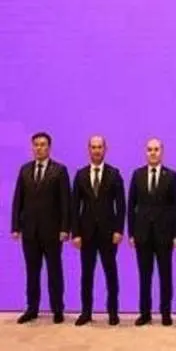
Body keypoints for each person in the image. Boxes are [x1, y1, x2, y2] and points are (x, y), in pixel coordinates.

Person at [11, 132, 70, 324]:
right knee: (32, 272)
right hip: (30, 231)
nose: (39, 148)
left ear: (49, 147)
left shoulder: (59, 171)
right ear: (32, 147)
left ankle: (57, 309)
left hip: (52, 231)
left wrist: (65, 228)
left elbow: (65, 202)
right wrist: (15, 226)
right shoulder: (25, 170)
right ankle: (32, 308)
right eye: (36, 144)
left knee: (54, 271)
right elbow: (18, 200)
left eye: (43, 144)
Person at [71, 136, 126, 326]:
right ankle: (86, 312)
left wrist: (119, 230)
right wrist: (76, 233)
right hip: (86, 234)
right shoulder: (80, 175)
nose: (96, 150)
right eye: (93, 147)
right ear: (89, 149)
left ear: (105, 149)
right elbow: (74, 206)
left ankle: (113, 312)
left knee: (111, 274)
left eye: (99, 147)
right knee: (86, 275)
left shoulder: (114, 174)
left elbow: (121, 205)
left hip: (108, 233)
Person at [128, 138, 176, 326]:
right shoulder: (137, 175)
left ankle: (166, 313)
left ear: (162, 152)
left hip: (164, 234)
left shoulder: (171, 176)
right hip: (142, 234)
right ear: (146, 152)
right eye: (150, 149)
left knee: (165, 275)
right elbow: (131, 205)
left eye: (156, 149)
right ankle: (145, 313)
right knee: (144, 276)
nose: (153, 152)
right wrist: (131, 233)